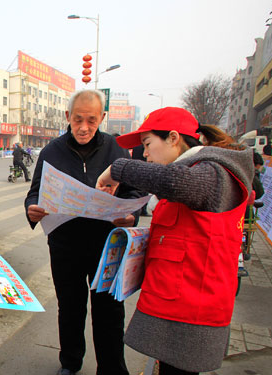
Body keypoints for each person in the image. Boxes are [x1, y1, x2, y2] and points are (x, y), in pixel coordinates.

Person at [96, 107, 253, 375]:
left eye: (147, 144)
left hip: (192, 313)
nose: (144, 154)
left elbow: (177, 182)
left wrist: (118, 168)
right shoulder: (196, 170)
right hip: (175, 305)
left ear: (172, 138)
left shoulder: (213, 172)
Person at [24, 89, 141, 375]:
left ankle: (112, 368)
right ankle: (70, 363)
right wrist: (32, 208)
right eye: (78, 120)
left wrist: (131, 215)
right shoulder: (52, 151)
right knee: (71, 308)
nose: (84, 127)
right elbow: (35, 191)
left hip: (107, 245)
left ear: (102, 117)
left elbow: (134, 191)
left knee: (110, 311)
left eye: (91, 120)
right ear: (68, 117)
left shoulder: (116, 150)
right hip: (66, 246)